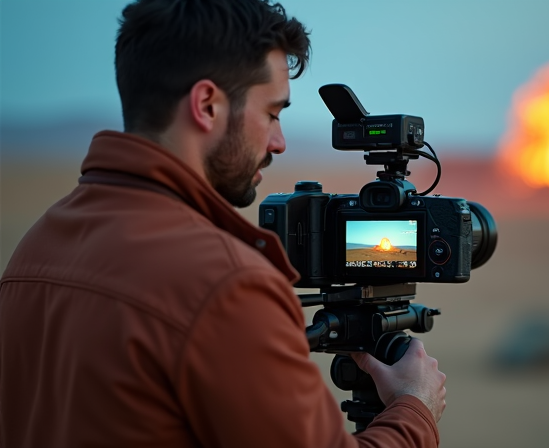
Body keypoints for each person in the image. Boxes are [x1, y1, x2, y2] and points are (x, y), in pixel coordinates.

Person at [0, 0, 446, 447]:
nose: (280, 142)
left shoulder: (35, 248)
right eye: (272, 113)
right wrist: (415, 407)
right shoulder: (226, 286)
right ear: (207, 105)